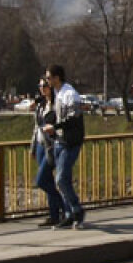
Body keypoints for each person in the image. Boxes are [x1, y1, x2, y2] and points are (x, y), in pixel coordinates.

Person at [43, 64, 85, 229]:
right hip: (60, 141)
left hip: (70, 142)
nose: (47, 81)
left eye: (48, 78)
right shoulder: (58, 92)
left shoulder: (70, 94)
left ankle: (77, 210)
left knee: (61, 179)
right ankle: (69, 215)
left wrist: (56, 127)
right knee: (63, 179)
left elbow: (74, 119)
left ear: (56, 78)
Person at [32, 78, 63, 227]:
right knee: (48, 180)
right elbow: (36, 128)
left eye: (44, 85)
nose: (42, 88)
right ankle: (54, 215)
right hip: (40, 145)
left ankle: (66, 206)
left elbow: (59, 125)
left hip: (51, 146)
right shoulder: (41, 105)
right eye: (40, 86)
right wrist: (33, 147)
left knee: (41, 180)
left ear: (50, 87)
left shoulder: (57, 104)